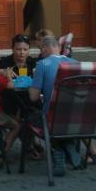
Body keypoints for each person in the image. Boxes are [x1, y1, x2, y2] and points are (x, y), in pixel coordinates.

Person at [28, 33, 78, 176]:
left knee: (32, 118)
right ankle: (68, 143)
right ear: (58, 48)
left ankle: (59, 151)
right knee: (61, 118)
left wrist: (32, 84)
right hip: (78, 120)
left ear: (44, 49)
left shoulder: (42, 64)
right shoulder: (75, 63)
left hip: (52, 120)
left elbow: (33, 97)